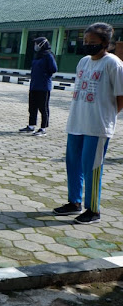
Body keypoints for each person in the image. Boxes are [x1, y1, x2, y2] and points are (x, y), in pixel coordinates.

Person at [53, 23, 123, 224]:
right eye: (86, 42)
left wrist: (107, 116)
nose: (88, 45)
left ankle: (93, 209)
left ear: (105, 43)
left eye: (93, 42)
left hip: (97, 126)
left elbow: (121, 96)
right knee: (73, 164)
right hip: (76, 122)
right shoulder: (83, 62)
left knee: (91, 168)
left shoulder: (113, 64)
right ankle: (74, 202)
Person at [19, 37, 57, 136]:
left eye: (37, 43)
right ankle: (31, 126)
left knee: (43, 108)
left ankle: (43, 128)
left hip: (44, 86)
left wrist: (44, 74)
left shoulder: (48, 55)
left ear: (42, 44)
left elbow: (53, 68)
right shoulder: (38, 56)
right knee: (32, 107)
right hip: (34, 85)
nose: (35, 45)